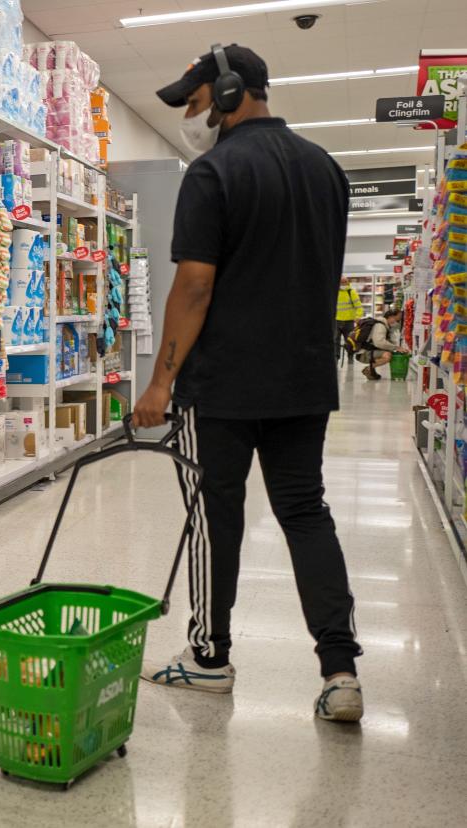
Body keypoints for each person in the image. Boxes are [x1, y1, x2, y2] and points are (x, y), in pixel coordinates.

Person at [132, 44, 363, 722]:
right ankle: (341, 670)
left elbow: (195, 287)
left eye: (197, 103)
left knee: (215, 516)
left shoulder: (214, 173)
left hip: (224, 385)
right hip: (304, 379)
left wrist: (159, 383)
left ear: (231, 92)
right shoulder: (327, 171)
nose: (192, 118)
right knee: (306, 513)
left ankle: (208, 659)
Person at [356, 307, 406, 380]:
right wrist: (396, 347)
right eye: (397, 320)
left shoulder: (386, 326)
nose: (397, 323)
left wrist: (395, 347)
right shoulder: (380, 326)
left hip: (368, 351)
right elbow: (379, 343)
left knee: (389, 352)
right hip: (363, 354)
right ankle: (368, 369)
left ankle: (371, 370)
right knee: (387, 355)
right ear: (390, 317)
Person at [336, 278, 364, 359]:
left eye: (345, 282)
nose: (343, 284)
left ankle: (350, 356)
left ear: (348, 282)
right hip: (337, 321)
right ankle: (336, 357)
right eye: (341, 282)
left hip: (349, 321)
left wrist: (358, 316)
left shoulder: (351, 292)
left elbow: (358, 307)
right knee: (336, 340)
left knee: (350, 340)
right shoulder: (335, 293)